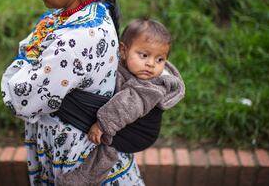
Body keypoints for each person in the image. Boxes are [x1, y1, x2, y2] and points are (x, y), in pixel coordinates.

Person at [1, 0, 146, 185]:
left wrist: (22, 61)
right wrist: (30, 59)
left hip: (81, 169)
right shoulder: (70, 16)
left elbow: (19, 98)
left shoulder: (77, 37)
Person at [55, 18, 185, 185]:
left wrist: (102, 124)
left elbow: (128, 103)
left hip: (139, 134)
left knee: (107, 147)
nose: (151, 64)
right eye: (144, 55)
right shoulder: (124, 63)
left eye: (160, 59)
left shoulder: (154, 85)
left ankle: (81, 180)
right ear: (123, 51)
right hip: (128, 119)